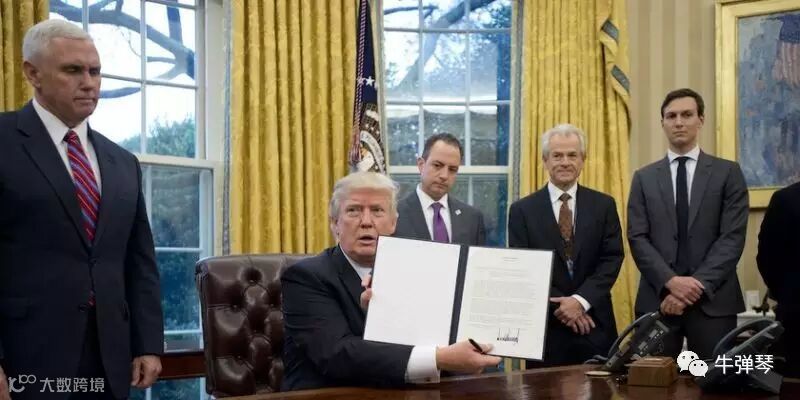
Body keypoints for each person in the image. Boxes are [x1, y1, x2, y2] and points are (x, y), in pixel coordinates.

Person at [0, 20, 163, 400]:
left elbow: (139, 260)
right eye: (73, 70)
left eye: (95, 71)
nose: (89, 83)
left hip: (111, 358)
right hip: (25, 357)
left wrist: (148, 343)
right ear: (32, 74)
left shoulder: (122, 161)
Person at [281, 172, 501, 391]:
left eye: (377, 210)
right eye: (353, 210)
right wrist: (439, 358)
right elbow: (338, 355)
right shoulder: (305, 277)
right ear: (335, 223)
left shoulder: (421, 273)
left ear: (393, 223)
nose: (366, 222)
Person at [628, 88, 748, 359]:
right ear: (662, 123)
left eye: (686, 115)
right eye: (671, 116)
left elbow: (732, 238)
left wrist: (695, 286)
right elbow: (637, 238)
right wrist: (670, 282)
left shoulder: (727, 173)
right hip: (658, 301)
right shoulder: (643, 178)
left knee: (714, 381)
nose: (679, 122)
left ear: (701, 120)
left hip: (713, 303)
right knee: (652, 381)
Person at [508, 123, 623, 366]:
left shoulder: (604, 205)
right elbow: (524, 269)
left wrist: (580, 301)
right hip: (546, 331)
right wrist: (564, 308)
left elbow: (612, 259)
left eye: (572, 155)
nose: (565, 162)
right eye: (557, 156)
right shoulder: (522, 211)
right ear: (545, 160)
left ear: (583, 159)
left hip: (594, 324)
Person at [394, 133, 486, 245]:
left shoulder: (472, 219)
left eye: (452, 169)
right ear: (421, 165)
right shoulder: (395, 214)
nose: (444, 176)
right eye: (437, 165)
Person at [757, 181, 800, 378]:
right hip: (795, 320)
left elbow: (767, 259)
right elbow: (768, 257)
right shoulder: (786, 199)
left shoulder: (786, 198)